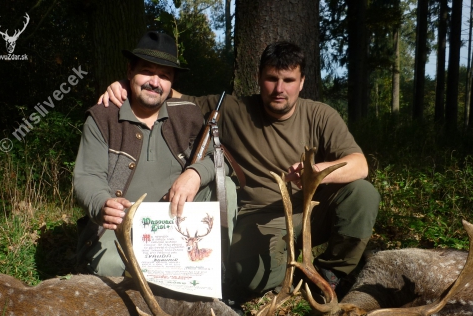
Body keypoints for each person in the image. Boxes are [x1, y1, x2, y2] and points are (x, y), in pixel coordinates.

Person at [99, 41, 380, 298]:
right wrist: (125, 84)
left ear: (302, 82)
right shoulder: (232, 109)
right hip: (258, 219)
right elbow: (171, 95)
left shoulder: (320, 115)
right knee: (248, 282)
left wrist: (316, 170)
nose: (279, 88)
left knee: (362, 194)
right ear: (258, 78)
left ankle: (332, 273)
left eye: (288, 80)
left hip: (309, 211)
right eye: (271, 79)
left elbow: (359, 164)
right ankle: (298, 271)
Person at [75, 31, 234, 277]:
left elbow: (220, 157)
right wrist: (102, 203)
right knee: (107, 268)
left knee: (226, 187)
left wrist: (195, 173)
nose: (155, 82)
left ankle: (218, 279)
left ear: (172, 84)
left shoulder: (188, 115)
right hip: (121, 227)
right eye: (147, 72)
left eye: (164, 75)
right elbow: (87, 176)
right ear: (129, 73)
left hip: (177, 225)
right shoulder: (102, 117)